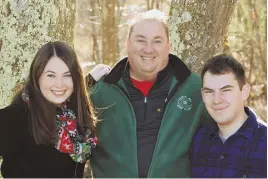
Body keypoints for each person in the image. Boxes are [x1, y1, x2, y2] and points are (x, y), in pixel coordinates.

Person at [87, 9, 207, 178]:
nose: (148, 49)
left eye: (157, 41)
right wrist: (85, 83)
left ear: (168, 46)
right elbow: (60, 125)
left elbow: (231, 124)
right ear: (127, 44)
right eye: (141, 40)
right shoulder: (100, 91)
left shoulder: (196, 89)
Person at [0, 41, 100, 178]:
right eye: (51, 75)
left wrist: (91, 79)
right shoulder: (15, 117)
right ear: (37, 76)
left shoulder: (74, 113)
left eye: (67, 75)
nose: (59, 84)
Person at [190, 54, 267, 178]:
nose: (216, 100)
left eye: (226, 90)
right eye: (209, 91)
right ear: (202, 95)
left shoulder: (264, 142)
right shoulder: (198, 139)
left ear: (245, 92)